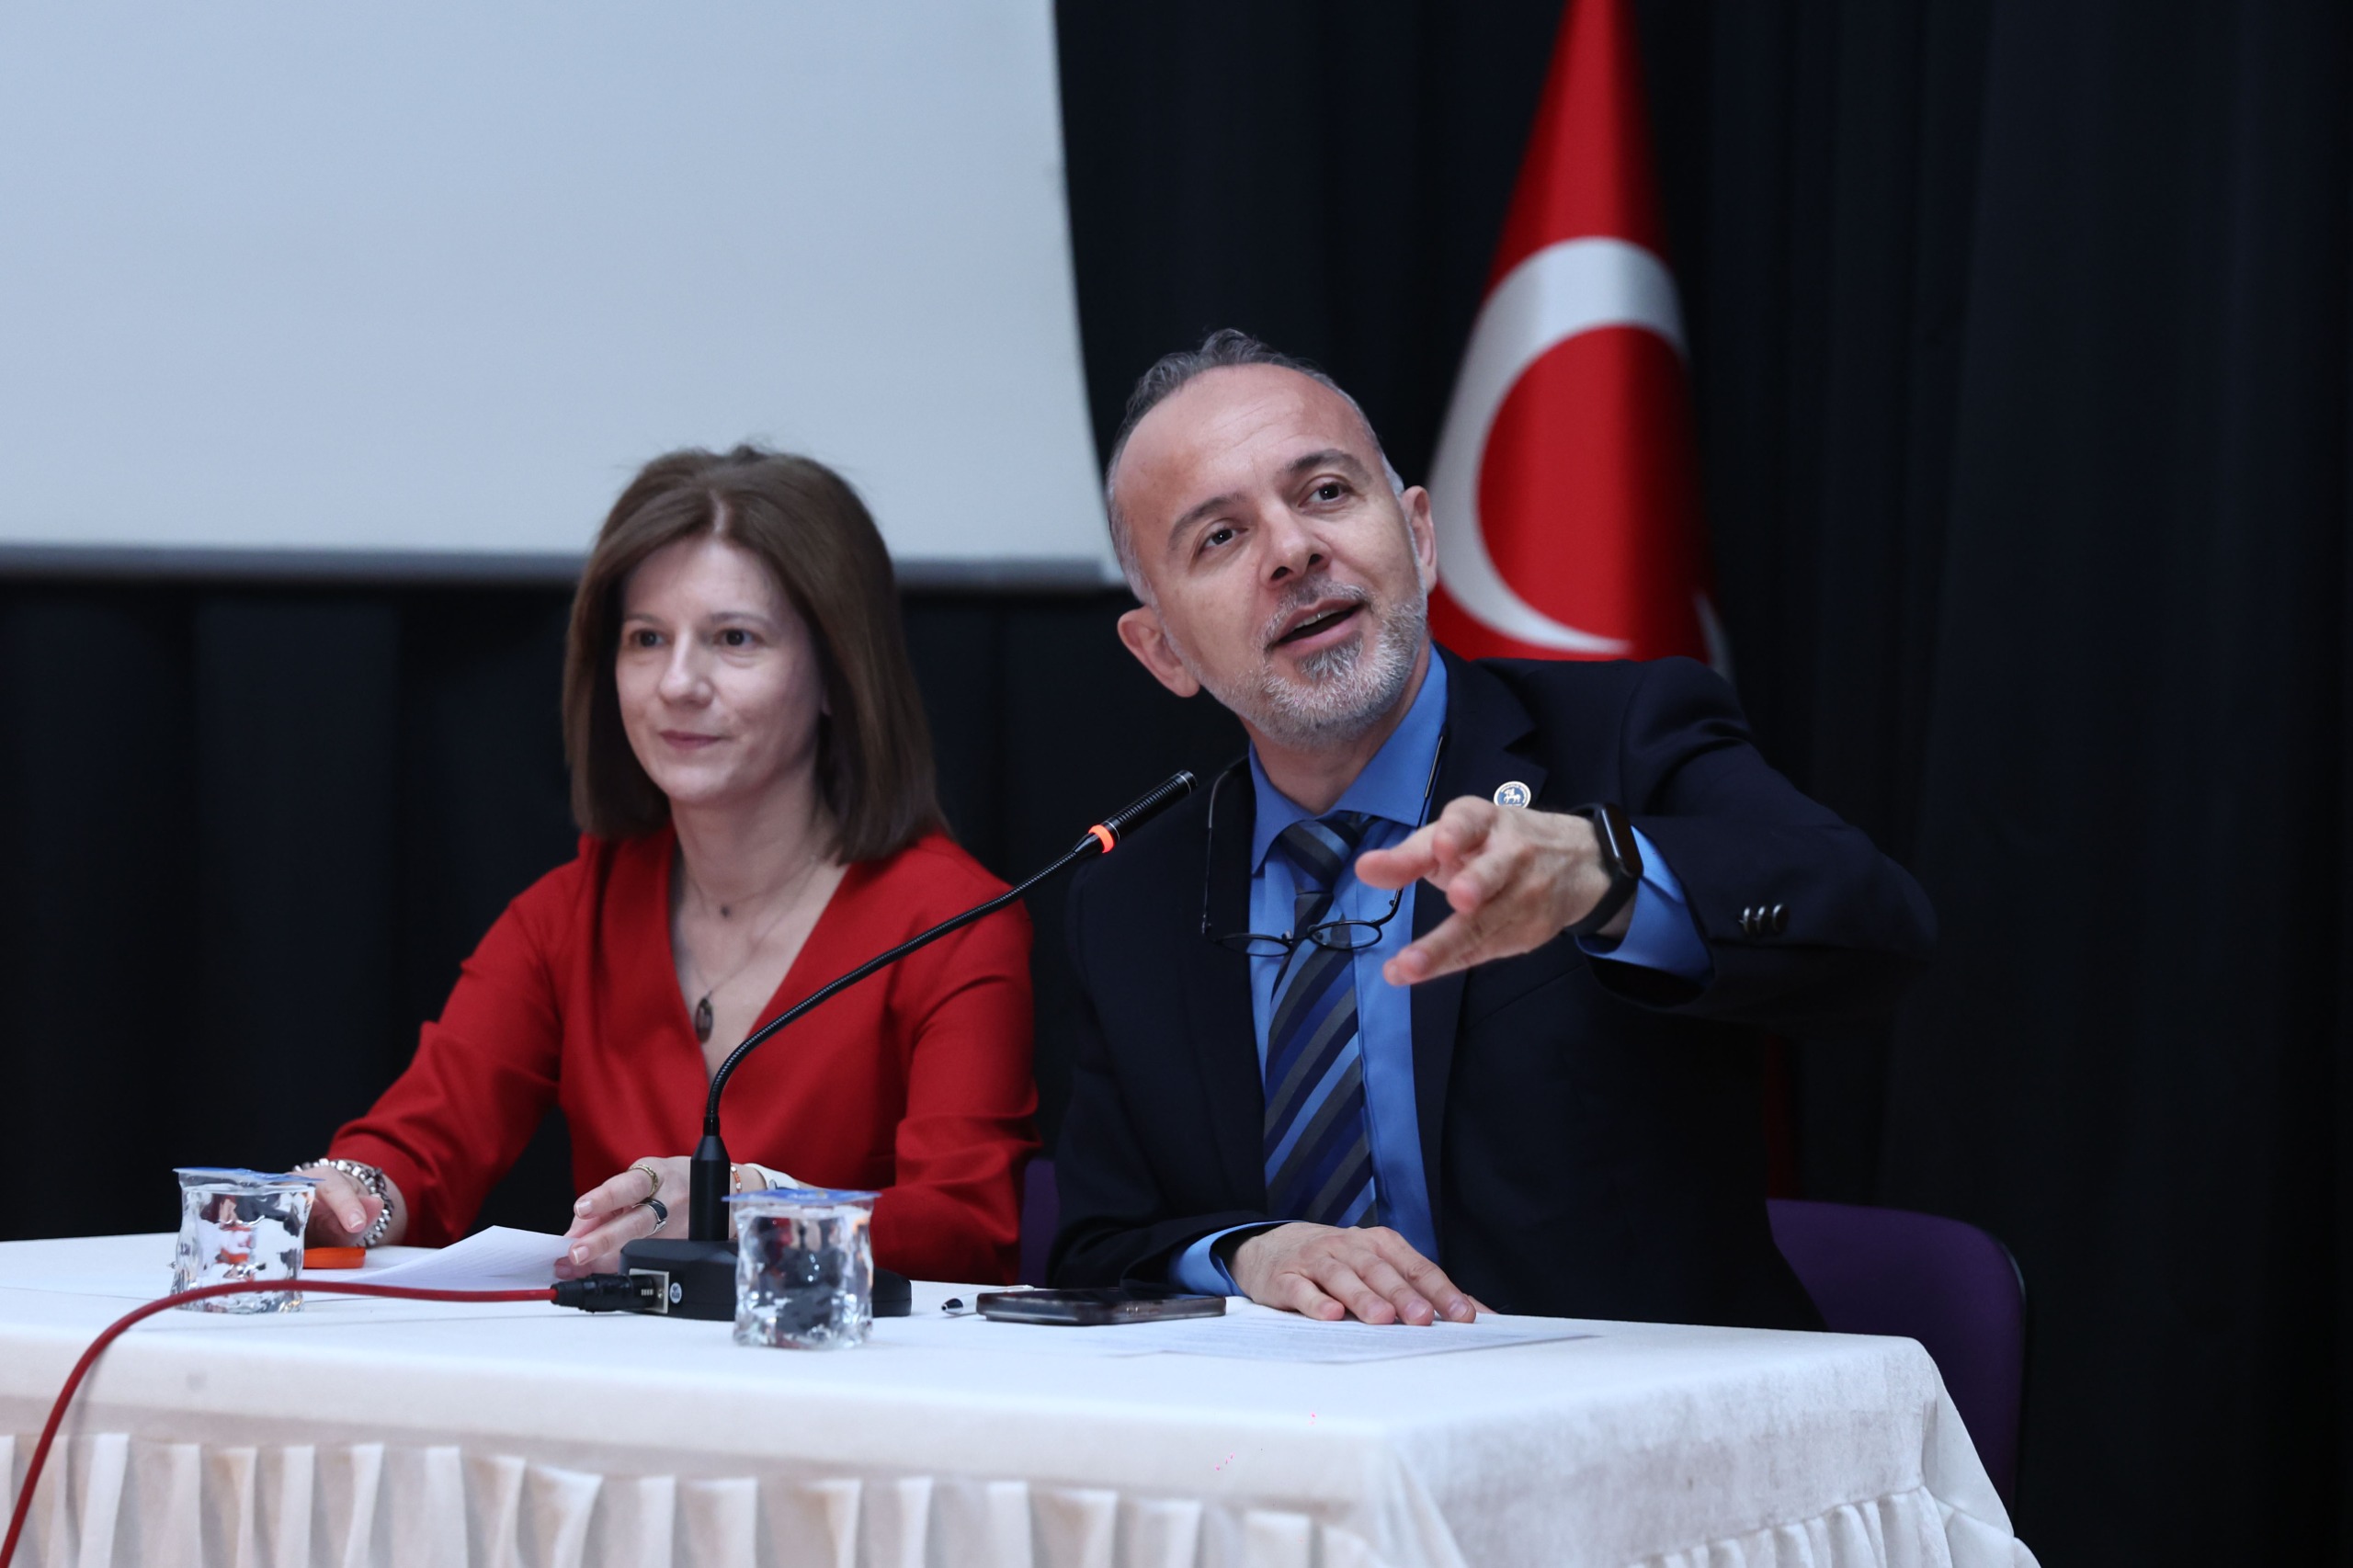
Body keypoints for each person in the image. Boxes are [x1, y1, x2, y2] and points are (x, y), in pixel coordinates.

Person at [1049, 332, 1935, 1329]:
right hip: (1300, 1423)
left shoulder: (1621, 737)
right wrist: (1248, 1250)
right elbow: (1097, 1246)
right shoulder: (1132, 898)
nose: (1293, 550)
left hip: (1619, 1408)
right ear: (1162, 650)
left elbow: (1876, 931)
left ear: (1419, 536)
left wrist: (1613, 874)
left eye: (1327, 492)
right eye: (1220, 537)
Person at [299, 447, 1038, 1284]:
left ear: (839, 673)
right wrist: (350, 1199)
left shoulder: (954, 923)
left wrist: (750, 1207)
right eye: (647, 639)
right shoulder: (569, 915)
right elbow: (422, 1145)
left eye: (734, 639)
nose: (678, 683)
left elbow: (968, 1228)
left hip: (838, 1363)